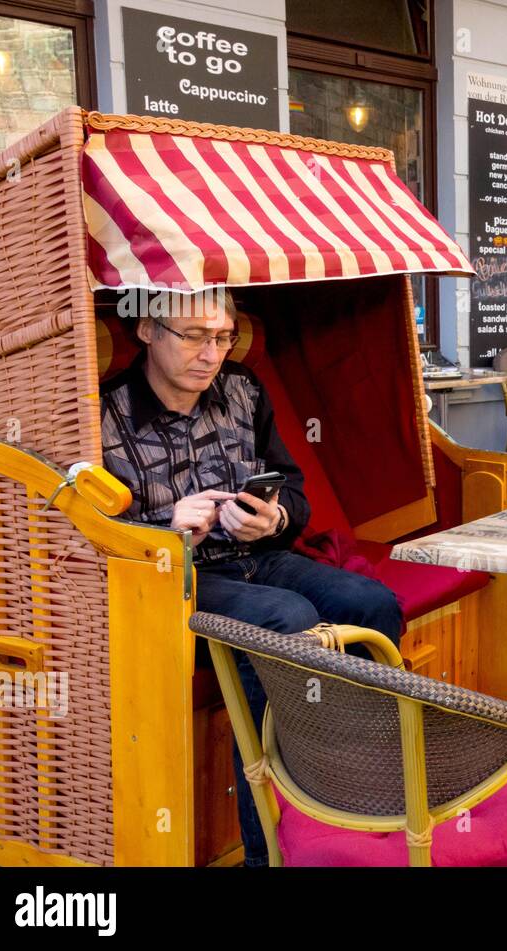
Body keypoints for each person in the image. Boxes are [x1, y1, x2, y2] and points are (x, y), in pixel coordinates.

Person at [99, 288, 403, 866]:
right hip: (173, 578)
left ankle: (363, 790)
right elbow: (86, 536)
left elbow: (292, 491)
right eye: (192, 336)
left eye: (221, 337)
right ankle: (275, 849)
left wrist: (273, 518)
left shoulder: (243, 389)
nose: (210, 353)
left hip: (254, 557)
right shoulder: (102, 410)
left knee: (370, 603)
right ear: (146, 330)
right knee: (285, 619)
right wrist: (167, 529)